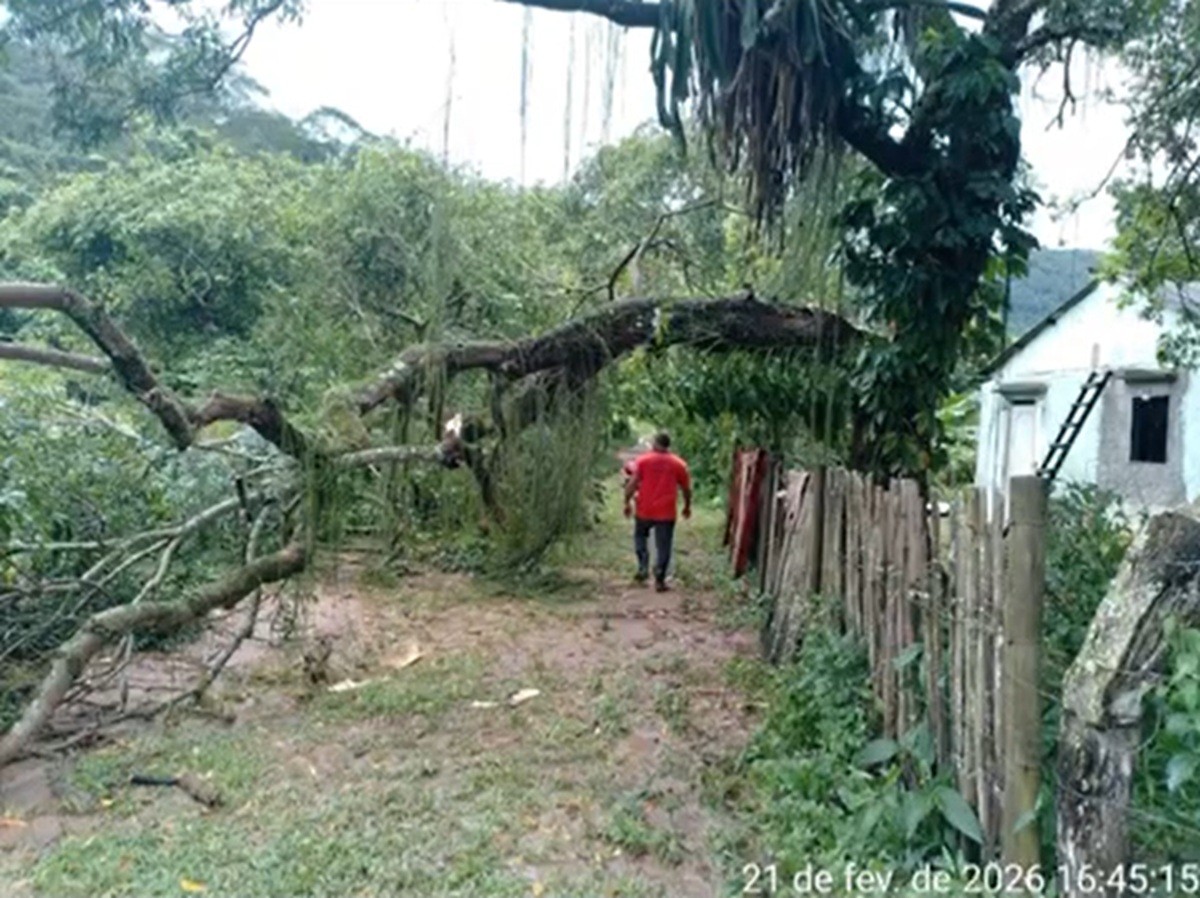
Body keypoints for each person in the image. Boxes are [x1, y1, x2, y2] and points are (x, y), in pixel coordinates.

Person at [623, 432, 691, 592]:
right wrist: (687, 506)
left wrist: (626, 502)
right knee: (664, 545)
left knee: (640, 536)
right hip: (666, 511)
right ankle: (660, 578)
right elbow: (686, 489)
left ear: (655, 444)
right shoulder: (678, 464)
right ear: (668, 445)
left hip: (644, 509)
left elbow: (632, 484)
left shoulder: (643, 461)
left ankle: (643, 566)